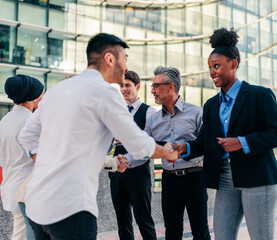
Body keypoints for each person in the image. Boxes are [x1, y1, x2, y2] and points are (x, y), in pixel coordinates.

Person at [18, 33, 178, 240]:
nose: (126, 67)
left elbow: (27, 136)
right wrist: (167, 152)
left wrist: (47, 161)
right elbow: (138, 144)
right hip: (71, 208)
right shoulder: (104, 92)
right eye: (125, 59)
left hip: (37, 205)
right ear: (110, 59)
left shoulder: (56, 90)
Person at [173, 28, 277, 240]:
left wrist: (242, 142)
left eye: (216, 66)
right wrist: (186, 148)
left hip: (257, 178)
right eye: (210, 68)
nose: (212, 72)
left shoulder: (259, 95)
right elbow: (206, 140)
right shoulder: (210, 105)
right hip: (225, 178)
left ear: (233, 64)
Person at [125, 66, 210, 240]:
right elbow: (143, 148)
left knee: (200, 232)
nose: (152, 90)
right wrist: (126, 160)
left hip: (195, 178)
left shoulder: (196, 113)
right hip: (169, 179)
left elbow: (206, 145)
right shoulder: (153, 119)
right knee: (171, 232)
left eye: (156, 86)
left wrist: (185, 149)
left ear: (170, 87)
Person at [109, 70, 157, 240]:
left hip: (138, 174)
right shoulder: (116, 112)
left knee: (143, 220)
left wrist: (128, 141)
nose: (124, 89)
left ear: (137, 86)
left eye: (127, 85)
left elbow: (149, 144)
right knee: (122, 222)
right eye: (121, 86)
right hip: (116, 173)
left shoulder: (150, 112)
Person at [0, 74, 44, 240]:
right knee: (23, 236)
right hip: (26, 190)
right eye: (42, 94)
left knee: (20, 234)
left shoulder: (5, 121)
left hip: (10, 186)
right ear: (33, 96)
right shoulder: (31, 122)